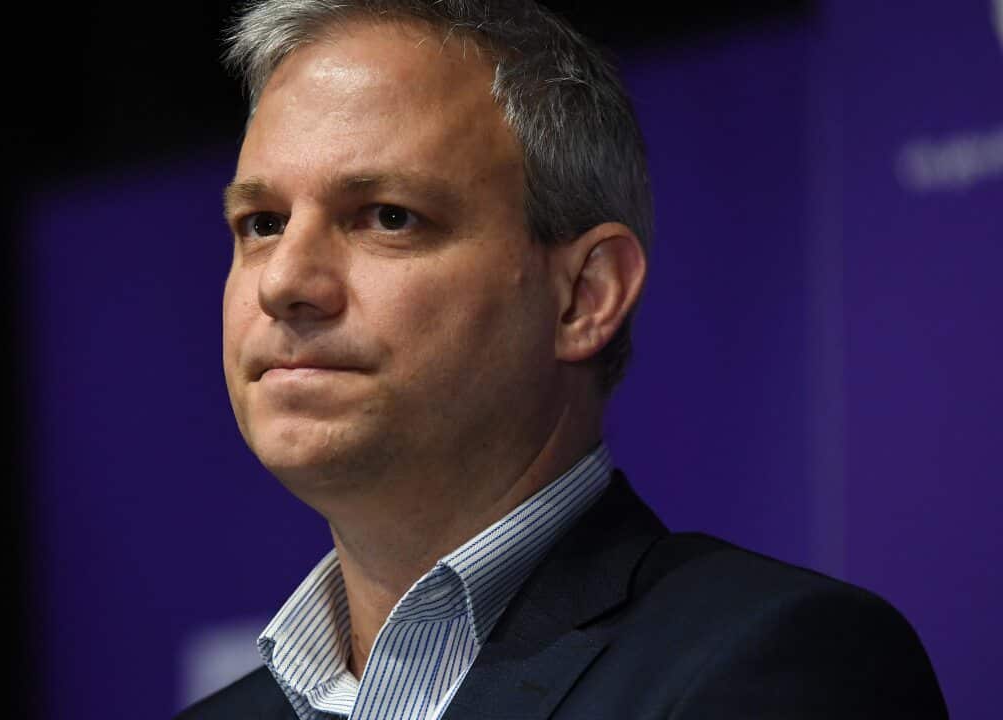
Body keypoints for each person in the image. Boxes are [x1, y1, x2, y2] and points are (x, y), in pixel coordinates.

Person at [181, 1, 947, 717]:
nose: (285, 282)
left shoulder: (775, 667)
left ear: (585, 296)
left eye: (388, 217)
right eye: (262, 223)